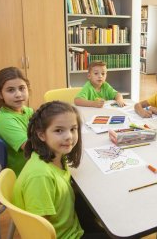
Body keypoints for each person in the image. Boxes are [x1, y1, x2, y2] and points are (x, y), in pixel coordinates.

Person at [13, 101, 108, 238]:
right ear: (42, 135)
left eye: (73, 129)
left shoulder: (56, 156)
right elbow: (40, 232)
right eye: (59, 130)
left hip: (71, 223)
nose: (69, 136)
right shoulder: (40, 176)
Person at [0, 67, 33, 176]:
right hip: (23, 173)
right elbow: (30, 147)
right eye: (11, 90)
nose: (18, 94)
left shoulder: (26, 110)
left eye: (22, 88)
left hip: (33, 165)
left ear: (28, 89)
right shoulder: (5, 120)